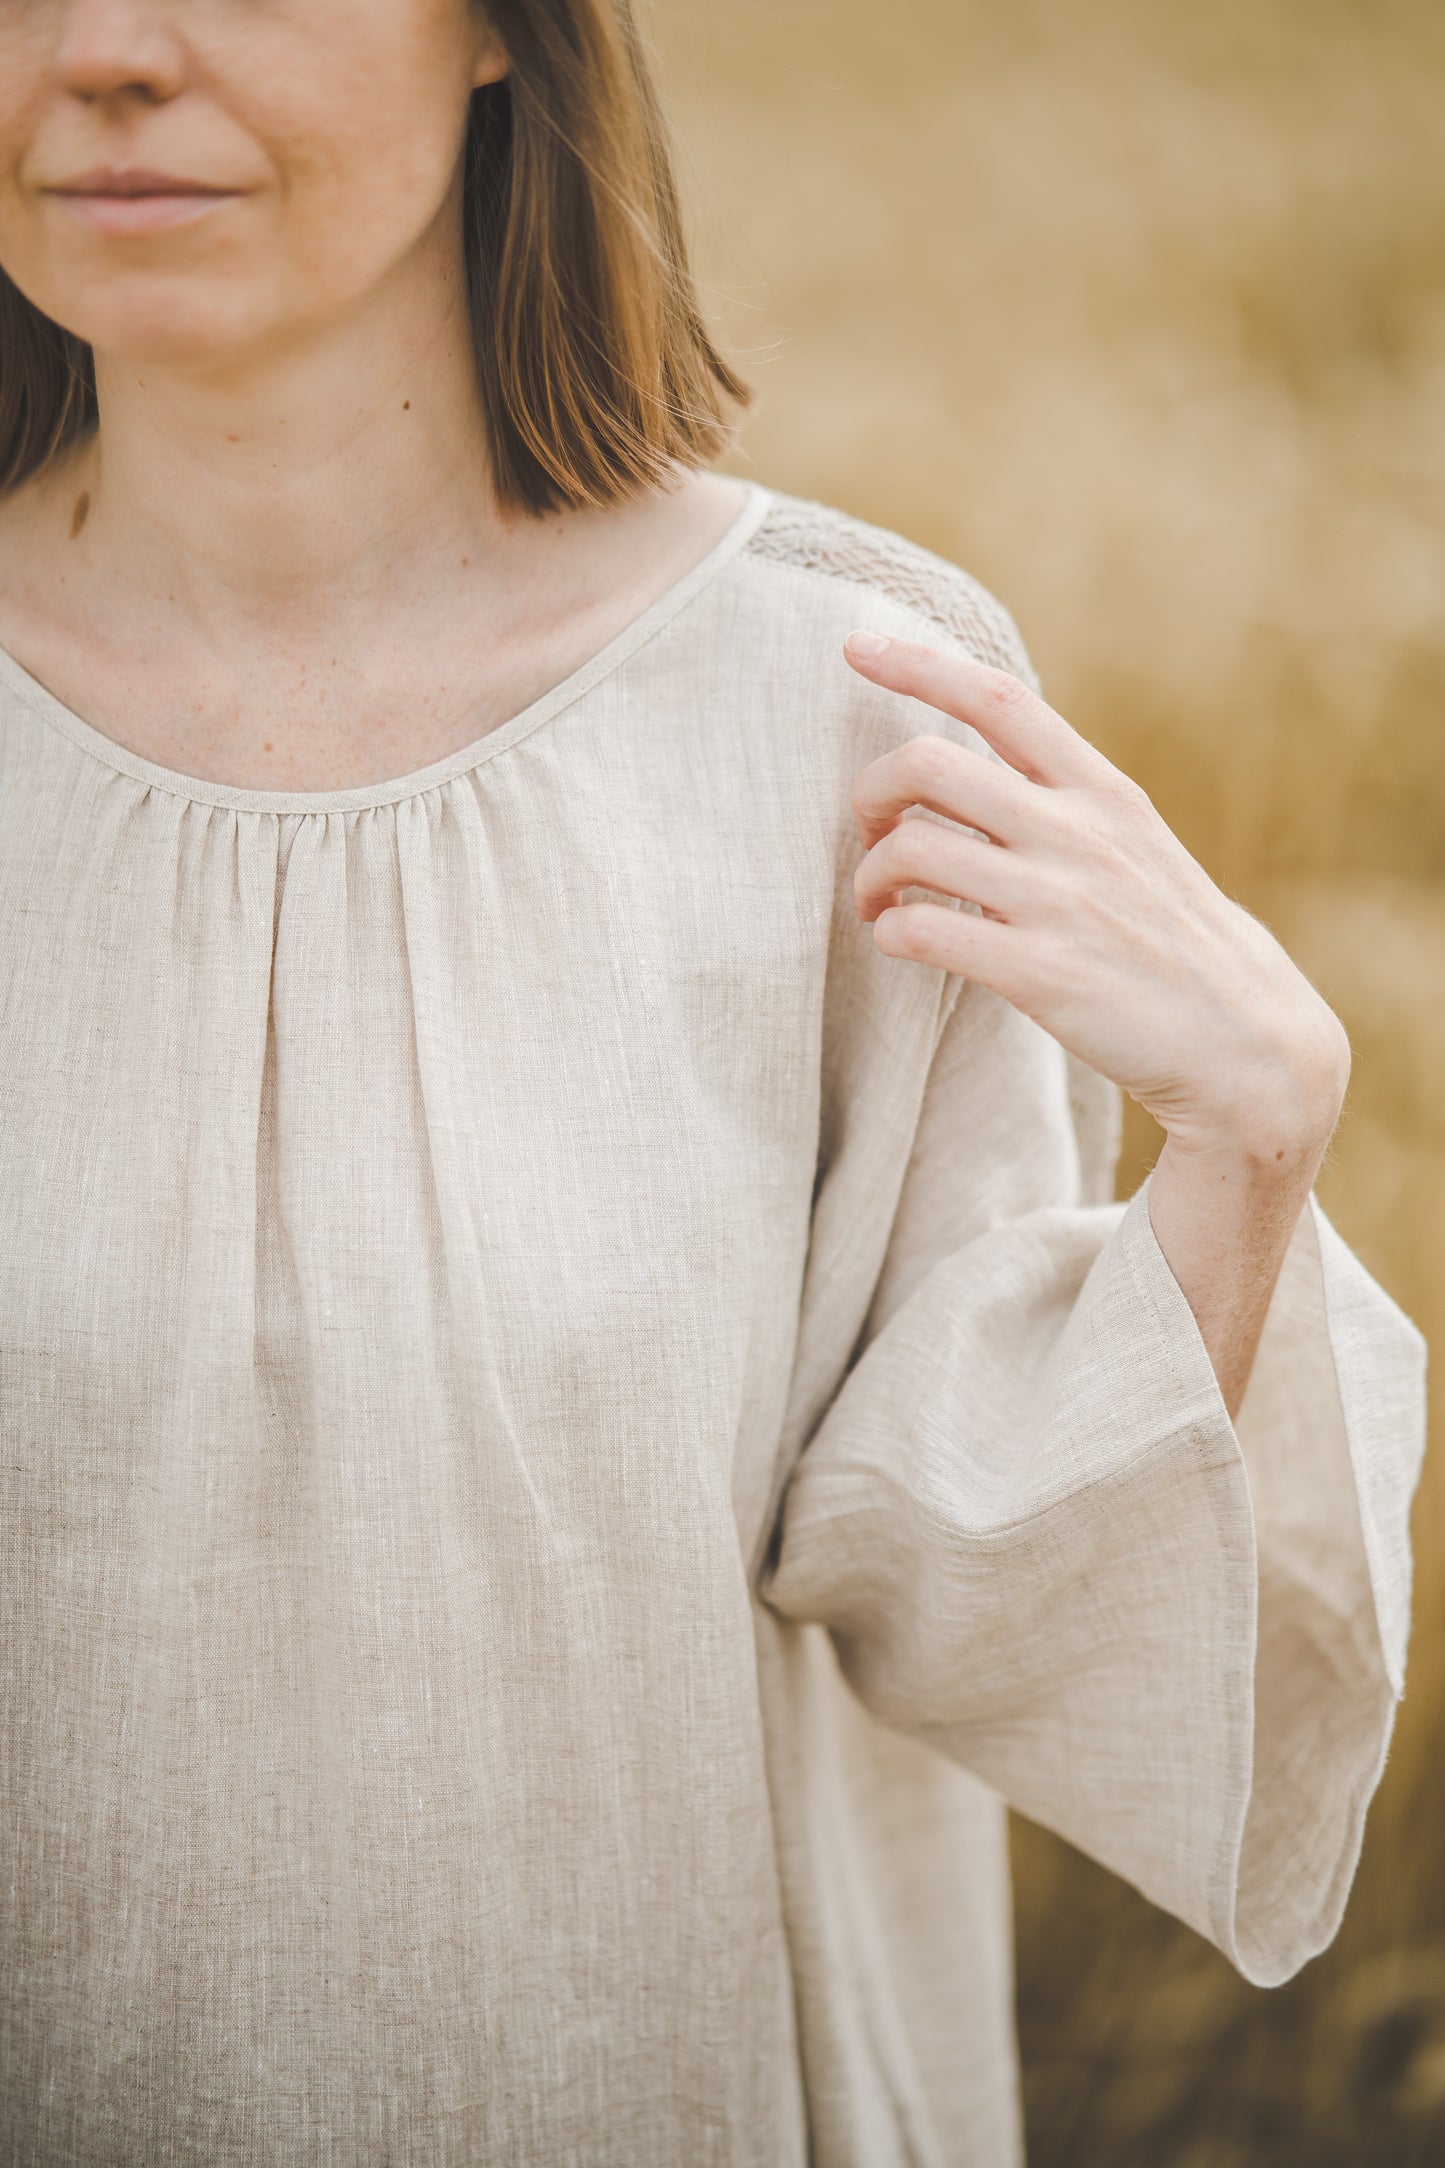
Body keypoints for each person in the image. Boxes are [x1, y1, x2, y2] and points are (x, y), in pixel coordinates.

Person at [0, 4, 1426, 2164]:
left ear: (505, 34)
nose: (105, 48)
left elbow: (972, 1582)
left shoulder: (843, 708)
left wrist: (1246, 1138)